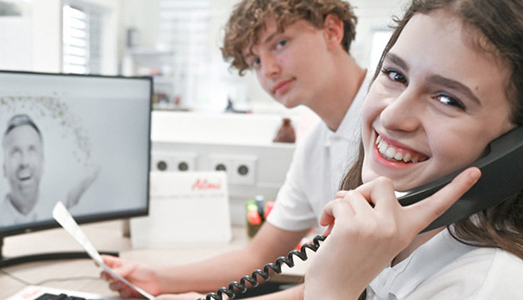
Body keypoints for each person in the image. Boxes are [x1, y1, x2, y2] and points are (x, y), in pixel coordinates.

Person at [302, 0, 523, 299]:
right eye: (395, 75)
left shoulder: (491, 287)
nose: (391, 116)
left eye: (448, 99)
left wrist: (330, 291)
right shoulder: (401, 237)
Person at [102, 0, 367, 299]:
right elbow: (257, 258)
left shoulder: (392, 125)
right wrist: (156, 279)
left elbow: (353, 286)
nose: (268, 70)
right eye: (254, 61)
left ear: (331, 31)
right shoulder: (315, 145)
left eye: (280, 43)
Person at [0, 114, 98, 229]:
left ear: (43, 163)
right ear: (4, 168)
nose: (24, 162)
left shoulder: (64, 216)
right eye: (15, 152)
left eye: (32, 150)